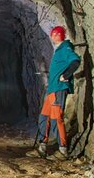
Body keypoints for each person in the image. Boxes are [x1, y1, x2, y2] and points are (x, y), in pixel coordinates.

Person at [29, 26, 81, 159]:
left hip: (59, 88)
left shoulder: (65, 49)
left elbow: (76, 61)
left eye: (53, 34)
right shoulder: (59, 51)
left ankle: (63, 150)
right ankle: (42, 147)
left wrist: (66, 75)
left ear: (57, 35)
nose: (51, 37)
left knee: (56, 119)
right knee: (44, 118)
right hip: (52, 89)